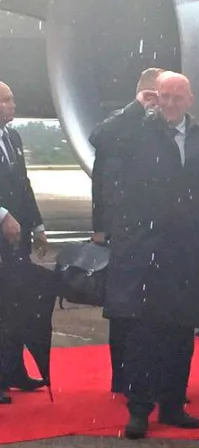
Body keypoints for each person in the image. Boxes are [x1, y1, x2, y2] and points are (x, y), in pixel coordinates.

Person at [99, 71, 199, 439]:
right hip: (147, 250)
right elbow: (101, 139)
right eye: (164, 96)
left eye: (177, 97)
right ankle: (139, 409)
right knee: (144, 334)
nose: (170, 104)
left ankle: (173, 404)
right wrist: (133, 108)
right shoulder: (139, 131)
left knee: (181, 332)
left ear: (190, 100)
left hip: (188, 252)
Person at [89, 67, 164, 394]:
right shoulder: (124, 123)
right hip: (127, 231)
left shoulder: (164, 125)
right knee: (123, 306)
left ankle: (157, 377)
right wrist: (100, 227)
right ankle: (122, 377)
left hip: (161, 232)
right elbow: (99, 145)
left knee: (159, 307)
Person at [0, 81, 48, 400]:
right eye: (7, 100)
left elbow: (24, 184)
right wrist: (2, 214)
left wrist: (38, 224)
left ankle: (14, 370)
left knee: (16, 305)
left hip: (18, 239)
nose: (13, 105)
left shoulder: (12, 137)